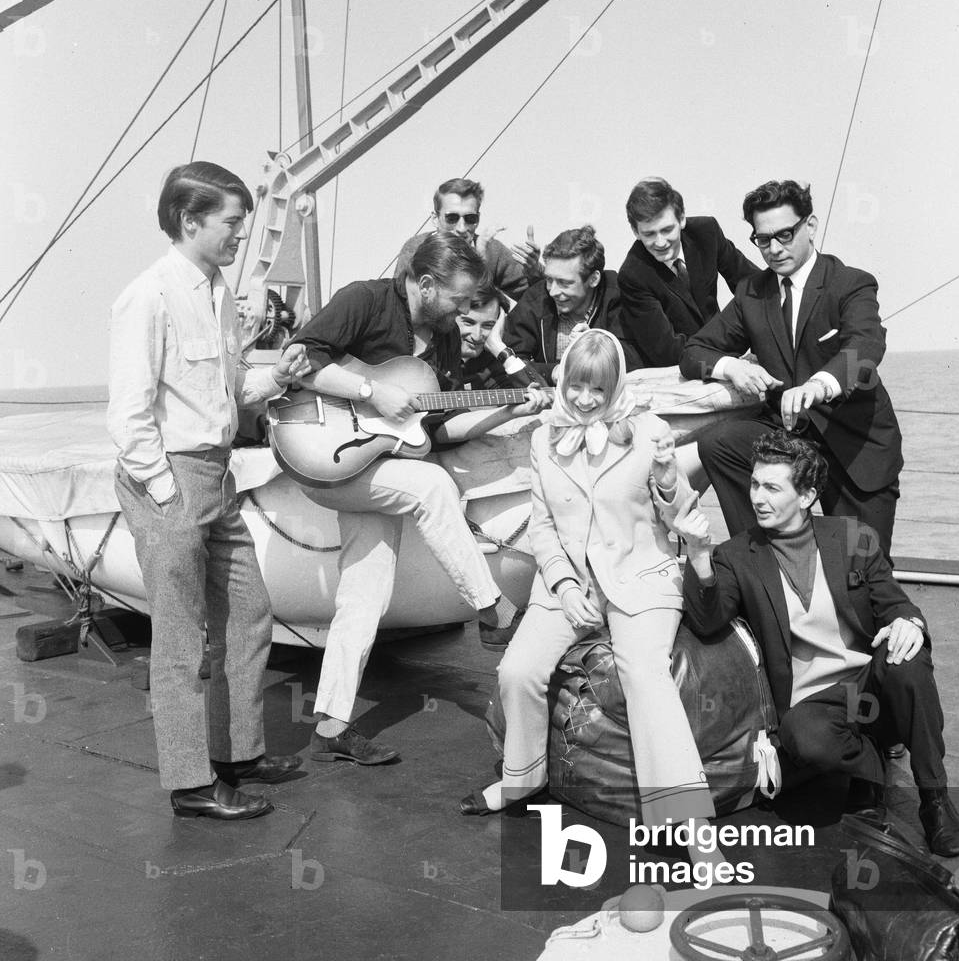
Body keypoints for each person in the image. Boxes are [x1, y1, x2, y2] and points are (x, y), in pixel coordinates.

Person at [291, 232, 548, 766]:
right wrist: (369, 391)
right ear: (425, 283)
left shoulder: (444, 338)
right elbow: (300, 358)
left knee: (364, 593)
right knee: (432, 485)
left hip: (376, 466)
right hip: (322, 455)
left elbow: (440, 430)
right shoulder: (365, 300)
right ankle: (493, 609)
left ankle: (331, 726)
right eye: (455, 298)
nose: (461, 309)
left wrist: (511, 410)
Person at [108, 161, 311, 820]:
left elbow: (223, 394)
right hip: (169, 478)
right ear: (189, 221)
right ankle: (192, 785)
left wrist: (276, 375)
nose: (239, 236)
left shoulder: (217, 291)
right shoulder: (151, 295)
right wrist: (167, 495)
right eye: (230, 223)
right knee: (178, 635)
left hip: (215, 476)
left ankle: (235, 754)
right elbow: (129, 415)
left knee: (249, 609)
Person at [459, 329, 718, 844]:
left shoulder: (650, 432)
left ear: (615, 385)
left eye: (598, 390)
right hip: (568, 582)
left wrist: (668, 474)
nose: (584, 400)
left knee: (645, 675)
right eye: (577, 386)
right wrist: (563, 584)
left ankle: (691, 827)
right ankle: (522, 781)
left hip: (642, 576)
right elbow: (542, 526)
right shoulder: (542, 439)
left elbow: (681, 516)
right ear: (564, 383)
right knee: (516, 671)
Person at [678, 431, 959, 857]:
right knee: (806, 738)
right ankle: (871, 771)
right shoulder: (737, 555)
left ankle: (935, 800)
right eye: (755, 484)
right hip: (814, 705)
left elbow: (895, 603)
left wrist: (909, 622)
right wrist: (700, 556)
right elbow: (706, 621)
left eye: (772, 487)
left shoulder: (853, 536)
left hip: (870, 683)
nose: (757, 496)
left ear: (808, 495)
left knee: (909, 656)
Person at [681, 180, 904, 561]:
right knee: (720, 442)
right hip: (789, 441)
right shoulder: (753, 292)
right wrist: (731, 365)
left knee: (860, 578)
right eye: (763, 239)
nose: (775, 248)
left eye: (785, 234)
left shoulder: (850, 283)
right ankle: (766, 562)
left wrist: (819, 386)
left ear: (811, 226)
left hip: (854, 446)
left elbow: (865, 347)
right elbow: (694, 351)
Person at [617, 177, 759, 368]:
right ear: (635, 231)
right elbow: (666, 351)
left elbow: (753, 285)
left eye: (667, 230)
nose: (660, 242)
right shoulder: (632, 275)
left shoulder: (706, 231)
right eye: (649, 234)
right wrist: (725, 362)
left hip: (724, 352)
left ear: (682, 219)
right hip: (678, 370)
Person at [502, 224, 641, 383]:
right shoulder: (537, 298)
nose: (553, 291)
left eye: (564, 283)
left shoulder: (620, 295)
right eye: (549, 279)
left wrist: (596, 344)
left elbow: (638, 361)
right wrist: (553, 372)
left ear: (594, 279)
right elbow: (509, 360)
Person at [394, 177, 540, 301]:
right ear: (435, 218)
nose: (462, 228)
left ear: (478, 219)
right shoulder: (415, 248)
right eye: (452, 218)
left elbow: (535, 300)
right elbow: (397, 301)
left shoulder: (492, 250)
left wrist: (535, 272)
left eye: (470, 218)